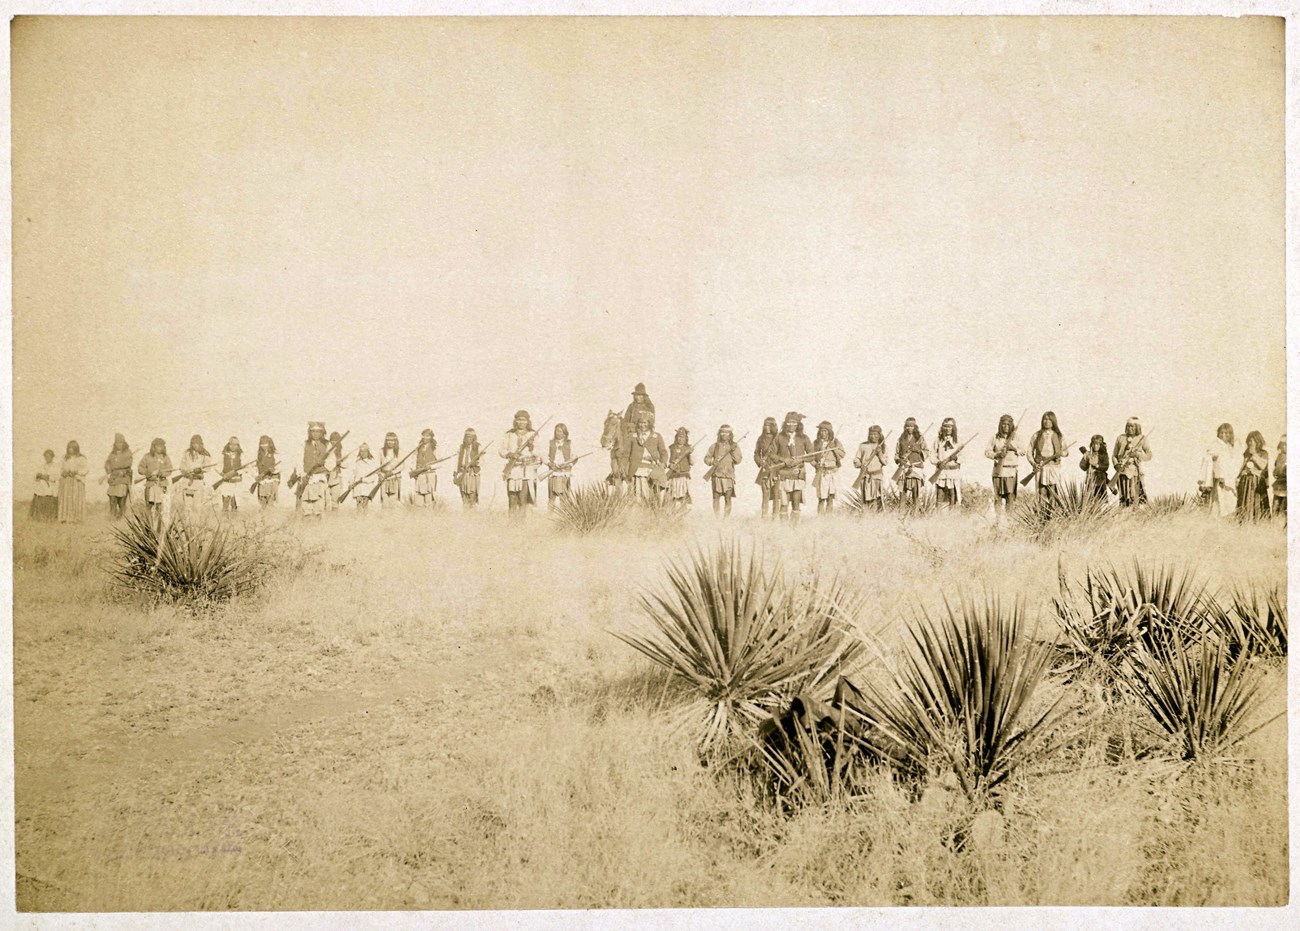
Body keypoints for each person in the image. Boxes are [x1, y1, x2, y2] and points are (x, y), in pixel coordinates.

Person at [501, 410, 543, 515]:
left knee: (523, 499)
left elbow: (538, 452)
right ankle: (511, 524)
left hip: (527, 470)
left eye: (524, 420)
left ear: (528, 421)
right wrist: (511, 454)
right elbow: (502, 450)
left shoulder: (533, 434)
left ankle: (520, 526)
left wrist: (531, 447)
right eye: (519, 420)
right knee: (512, 498)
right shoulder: (509, 434)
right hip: (513, 468)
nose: (521, 422)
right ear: (515, 421)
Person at [774, 412, 814, 521]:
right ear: (785, 423)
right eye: (789, 423)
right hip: (783, 475)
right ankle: (784, 531)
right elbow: (772, 454)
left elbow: (812, 456)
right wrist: (784, 460)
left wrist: (801, 459)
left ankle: (794, 529)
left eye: (794, 423)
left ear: (798, 424)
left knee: (796, 503)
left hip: (798, 475)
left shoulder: (804, 438)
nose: (792, 425)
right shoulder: (779, 437)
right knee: (784, 503)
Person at [621, 413, 668, 502]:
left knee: (659, 486)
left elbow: (663, 452)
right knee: (636, 492)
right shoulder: (632, 436)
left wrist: (663, 462)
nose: (643, 425)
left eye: (645, 423)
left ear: (650, 423)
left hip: (652, 466)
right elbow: (626, 453)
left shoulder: (657, 436)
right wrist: (623, 467)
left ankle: (657, 507)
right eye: (640, 423)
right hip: (636, 467)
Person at [984, 414, 1025, 517]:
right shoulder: (995, 438)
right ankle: (998, 519)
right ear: (1000, 425)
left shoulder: (1017, 438)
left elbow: (1023, 451)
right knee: (997, 496)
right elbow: (987, 452)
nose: (1005, 426)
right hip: (998, 470)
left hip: (1011, 470)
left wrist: (1013, 448)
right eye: (1003, 424)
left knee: (1010, 496)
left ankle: (1008, 519)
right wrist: (997, 455)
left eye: (1008, 424)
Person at [1198, 423, 1237, 518]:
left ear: (1231, 434)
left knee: (1230, 503)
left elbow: (1232, 464)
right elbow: (1209, 457)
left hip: (1229, 480)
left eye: (1227, 433)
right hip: (1220, 479)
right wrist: (1212, 458)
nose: (1224, 435)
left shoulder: (1231, 447)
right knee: (1219, 503)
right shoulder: (1216, 445)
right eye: (1222, 433)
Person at [1111, 418, 1151, 507]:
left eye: (1132, 426)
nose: (1130, 428)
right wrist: (1116, 465)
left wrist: (1138, 455)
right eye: (1128, 426)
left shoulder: (1142, 439)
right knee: (1123, 497)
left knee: (1134, 497)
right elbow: (1114, 455)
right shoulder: (1120, 438)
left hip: (1135, 472)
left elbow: (1149, 455)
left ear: (1137, 427)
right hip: (1122, 471)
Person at [704, 425, 742, 517]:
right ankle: (717, 518)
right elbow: (706, 458)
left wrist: (732, 450)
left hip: (728, 476)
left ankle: (726, 519)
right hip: (717, 475)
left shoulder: (734, 446)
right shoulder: (714, 446)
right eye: (722, 432)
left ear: (730, 434)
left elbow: (738, 460)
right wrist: (712, 462)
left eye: (727, 432)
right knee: (716, 498)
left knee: (728, 498)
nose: (724, 434)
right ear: (719, 433)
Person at [1029, 412, 1067, 503]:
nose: (1047, 421)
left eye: (1049, 419)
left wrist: (1060, 453)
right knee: (1041, 492)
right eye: (1045, 419)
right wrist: (1034, 464)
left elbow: (1065, 452)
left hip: (1054, 467)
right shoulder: (1036, 435)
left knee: (1053, 492)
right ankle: (1041, 515)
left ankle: (1052, 515)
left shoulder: (1059, 436)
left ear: (1053, 421)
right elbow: (1029, 451)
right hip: (1040, 466)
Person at [137, 438, 173, 530]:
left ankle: (158, 528)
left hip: (161, 484)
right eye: (158, 446)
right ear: (153, 447)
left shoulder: (165, 457)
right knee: (149, 506)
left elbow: (170, 470)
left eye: (162, 446)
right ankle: (148, 527)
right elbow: (140, 468)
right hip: (150, 484)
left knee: (159, 507)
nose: (160, 448)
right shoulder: (147, 457)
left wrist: (162, 473)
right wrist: (147, 472)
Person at [298, 422, 331, 518]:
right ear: (310, 432)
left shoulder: (327, 444)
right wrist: (302, 474)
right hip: (306, 477)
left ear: (322, 432)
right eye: (313, 431)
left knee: (319, 503)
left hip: (320, 477)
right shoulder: (304, 444)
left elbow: (331, 461)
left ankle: (318, 527)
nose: (315, 433)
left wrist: (324, 464)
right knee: (306, 502)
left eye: (318, 431)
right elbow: (299, 460)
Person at [811, 421, 844, 514]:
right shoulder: (816, 443)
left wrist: (834, 449)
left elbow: (842, 454)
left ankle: (828, 518)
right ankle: (820, 518)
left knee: (830, 497)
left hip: (832, 472)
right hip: (822, 473)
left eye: (825, 431)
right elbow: (810, 458)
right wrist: (815, 465)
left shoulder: (836, 442)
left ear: (829, 432)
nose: (823, 433)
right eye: (821, 431)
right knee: (821, 498)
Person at [1236, 431, 1270, 522]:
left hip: (1257, 482)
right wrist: (1240, 474)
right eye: (1248, 441)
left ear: (1258, 441)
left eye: (1252, 441)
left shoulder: (1263, 453)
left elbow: (1263, 466)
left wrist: (1254, 454)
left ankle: (1258, 522)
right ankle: (1244, 522)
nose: (1249, 443)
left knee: (1257, 502)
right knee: (1245, 501)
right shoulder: (1246, 453)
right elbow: (1242, 465)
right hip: (1246, 481)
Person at [853, 426, 889, 513]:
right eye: (871, 434)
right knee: (865, 499)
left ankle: (874, 518)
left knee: (876, 498)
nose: (873, 436)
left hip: (877, 477)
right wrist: (860, 465)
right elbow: (856, 459)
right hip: (865, 476)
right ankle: (867, 518)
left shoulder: (883, 447)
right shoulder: (863, 446)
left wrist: (879, 453)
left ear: (879, 435)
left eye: (875, 434)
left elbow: (885, 462)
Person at [894, 418, 928, 508]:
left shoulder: (920, 438)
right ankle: (901, 515)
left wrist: (918, 450)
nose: (909, 428)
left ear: (915, 427)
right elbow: (896, 454)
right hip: (903, 468)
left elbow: (927, 452)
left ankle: (916, 515)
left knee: (916, 494)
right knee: (902, 494)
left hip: (916, 468)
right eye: (908, 426)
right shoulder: (901, 439)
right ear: (905, 427)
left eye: (912, 426)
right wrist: (899, 460)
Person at [176, 434, 212, 515]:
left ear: (200, 444)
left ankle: (197, 524)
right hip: (188, 481)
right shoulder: (187, 454)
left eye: (197, 443)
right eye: (193, 443)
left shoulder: (205, 454)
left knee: (198, 505)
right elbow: (182, 466)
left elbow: (208, 467)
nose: (195, 445)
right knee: (187, 505)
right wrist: (186, 472)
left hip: (198, 481)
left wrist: (199, 470)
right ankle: (187, 523)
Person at [931, 418, 962, 509]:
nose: (948, 429)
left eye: (950, 427)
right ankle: (938, 516)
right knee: (939, 494)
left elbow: (964, 456)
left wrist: (956, 458)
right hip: (941, 472)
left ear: (953, 428)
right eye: (946, 426)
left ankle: (951, 516)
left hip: (953, 472)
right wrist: (938, 463)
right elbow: (932, 454)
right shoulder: (938, 440)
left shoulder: (958, 441)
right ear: (943, 428)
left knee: (953, 495)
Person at [754, 417, 781, 518]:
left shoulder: (779, 438)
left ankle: (776, 517)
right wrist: (761, 462)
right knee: (765, 494)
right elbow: (756, 454)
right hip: (765, 469)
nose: (767, 427)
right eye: (765, 425)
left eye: (769, 425)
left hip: (777, 469)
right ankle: (764, 516)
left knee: (777, 494)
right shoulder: (761, 439)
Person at [58, 440, 89, 523]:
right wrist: (64, 473)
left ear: (76, 448)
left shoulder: (81, 458)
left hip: (76, 481)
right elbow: (60, 469)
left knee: (76, 499)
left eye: (72, 448)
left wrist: (76, 472)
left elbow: (85, 470)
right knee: (66, 499)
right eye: (69, 448)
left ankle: (77, 518)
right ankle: (65, 518)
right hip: (66, 482)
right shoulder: (64, 458)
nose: (70, 450)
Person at [103, 434, 133, 519]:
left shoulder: (128, 452)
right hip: (113, 479)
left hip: (123, 478)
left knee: (121, 500)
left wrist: (117, 466)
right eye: (117, 443)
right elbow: (107, 464)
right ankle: (112, 517)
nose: (119, 444)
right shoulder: (112, 454)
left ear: (124, 443)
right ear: (115, 444)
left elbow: (127, 464)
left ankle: (121, 518)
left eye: (120, 442)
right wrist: (108, 468)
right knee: (112, 498)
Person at [410, 429, 440, 509]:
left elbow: (440, 462)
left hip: (429, 475)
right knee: (418, 500)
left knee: (428, 498)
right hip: (419, 475)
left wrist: (431, 467)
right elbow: (413, 460)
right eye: (423, 435)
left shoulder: (435, 448)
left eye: (427, 436)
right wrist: (414, 470)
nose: (425, 437)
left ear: (431, 437)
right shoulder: (418, 447)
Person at [454, 428, 483, 510]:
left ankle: (473, 516)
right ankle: (466, 516)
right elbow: (457, 460)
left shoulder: (478, 447)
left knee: (472, 496)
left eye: (470, 437)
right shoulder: (461, 447)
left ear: (474, 438)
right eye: (467, 437)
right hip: (463, 473)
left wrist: (473, 464)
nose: (468, 439)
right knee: (464, 497)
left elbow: (482, 461)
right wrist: (456, 473)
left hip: (473, 473)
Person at [547, 424, 575, 508]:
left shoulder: (569, 443)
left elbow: (574, 456)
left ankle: (564, 517)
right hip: (553, 472)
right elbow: (544, 456)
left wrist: (569, 464)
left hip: (565, 473)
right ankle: (549, 516)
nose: (558, 433)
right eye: (556, 431)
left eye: (560, 431)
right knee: (552, 497)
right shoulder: (550, 443)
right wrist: (550, 464)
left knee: (565, 497)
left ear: (565, 433)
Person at [666, 427, 693, 512]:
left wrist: (690, 454)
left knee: (683, 495)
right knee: (672, 495)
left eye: (683, 437)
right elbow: (668, 461)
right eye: (679, 436)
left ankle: (682, 512)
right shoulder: (671, 447)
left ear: (686, 438)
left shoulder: (689, 448)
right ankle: (671, 513)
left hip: (683, 475)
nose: (680, 439)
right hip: (673, 475)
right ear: (676, 437)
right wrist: (671, 465)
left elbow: (692, 462)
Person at [217, 436, 244, 513]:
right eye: (231, 444)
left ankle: (234, 520)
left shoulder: (241, 455)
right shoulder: (223, 454)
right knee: (226, 499)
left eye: (235, 444)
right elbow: (218, 465)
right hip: (226, 481)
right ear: (228, 444)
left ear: (238, 445)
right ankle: (224, 520)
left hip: (236, 481)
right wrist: (222, 474)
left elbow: (245, 467)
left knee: (234, 501)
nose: (233, 446)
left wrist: (237, 472)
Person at [1079, 435, 1110, 501]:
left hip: (1100, 479)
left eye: (1097, 444)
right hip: (1090, 478)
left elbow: (1106, 466)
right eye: (1094, 444)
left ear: (1100, 445)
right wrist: (1086, 460)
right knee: (1089, 498)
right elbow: (1082, 466)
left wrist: (1096, 465)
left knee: (1101, 498)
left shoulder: (1104, 455)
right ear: (1091, 445)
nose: (1095, 446)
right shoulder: (1088, 454)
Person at [252, 435, 280, 509]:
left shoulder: (275, 454)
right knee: (263, 498)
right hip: (262, 479)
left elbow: (279, 467)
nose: (264, 446)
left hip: (273, 479)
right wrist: (256, 476)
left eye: (266, 444)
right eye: (262, 444)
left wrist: (274, 470)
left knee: (271, 499)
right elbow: (255, 467)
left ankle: (269, 516)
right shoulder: (259, 455)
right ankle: (264, 515)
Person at [349, 443, 378, 512]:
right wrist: (351, 483)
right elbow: (352, 475)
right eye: (361, 451)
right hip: (358, 487)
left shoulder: (373, 462)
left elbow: (373, 477)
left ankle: (364, 521)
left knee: (365, 506)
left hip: (367, 487)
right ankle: (359, 521)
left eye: (365, 451)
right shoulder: (356, 462)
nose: (363, 453)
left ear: (368, 452)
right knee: (359, 506)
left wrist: (364, 480)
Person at [31, 449, 58, 522]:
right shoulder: (42, 466)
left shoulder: (55, 466)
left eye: (49, 456)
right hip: (42, 486)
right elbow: (36, 476)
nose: (47, 458)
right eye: (46, 457)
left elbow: (56, 477)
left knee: (49, 499)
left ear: (52, 457)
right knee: (40, 496)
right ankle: (40, 516)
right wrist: (38, 476)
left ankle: (49, 517)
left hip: (51, 486)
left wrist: (48, 477)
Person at [378, 432, 403, 508]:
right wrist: (380, 475)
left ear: (395, 441)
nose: (390, 442)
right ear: (386, 441)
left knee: (393, 502)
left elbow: (401, 466)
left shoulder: (400, 451)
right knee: (384, 501)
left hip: (394, 478)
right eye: (388, 440)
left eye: (392, 440)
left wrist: (392, 472)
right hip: (383, 478)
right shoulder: (381, 451)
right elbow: (377, 466)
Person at [326, 430, 347, 512]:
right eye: (332, 441)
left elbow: (346, 465)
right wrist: (334, 462)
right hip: (326, 476)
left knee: (335, 500)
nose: (334, 443)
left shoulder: (342, 450)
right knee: (325, 501)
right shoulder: (326, 449)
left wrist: (340, 462)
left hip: (336, 477)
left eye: (336, 441)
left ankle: (334, 520)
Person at [1272, 435, 1286, 522]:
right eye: (1282, 444)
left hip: (1287, 484)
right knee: (1276, 505)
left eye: (1286, 444)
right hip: (1279, 484)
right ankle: (1274, 522)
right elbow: (1276, 470)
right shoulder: (1280, 457)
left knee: (1284, 507)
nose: (1284, 447)